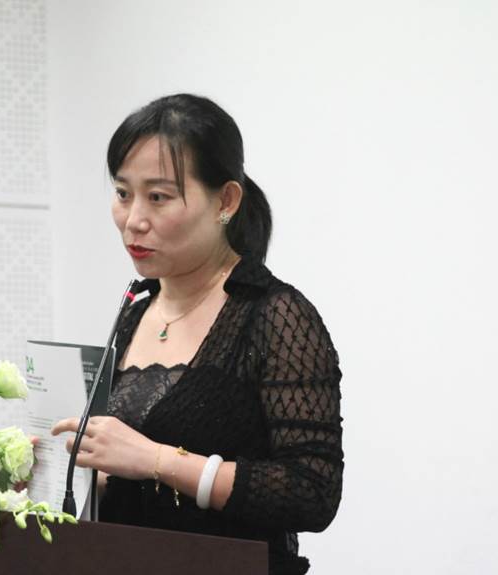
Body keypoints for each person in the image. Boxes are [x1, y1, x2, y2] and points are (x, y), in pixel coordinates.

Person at [51, 94, 343, 575]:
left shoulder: (275, 316)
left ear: (225, 201)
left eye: (158, 197)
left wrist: (156, 459)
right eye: (123, 194)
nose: (133, 220)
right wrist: (80, 469)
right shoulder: (135, 313)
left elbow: (312, 492)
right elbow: (133, 478)